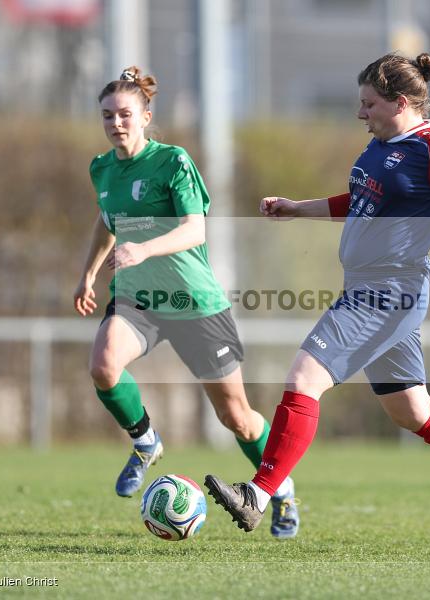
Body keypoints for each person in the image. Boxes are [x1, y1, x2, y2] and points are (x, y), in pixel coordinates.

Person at [204, 53, 430, 537]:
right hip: (367, 287)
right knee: (413, 411)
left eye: (368, 104)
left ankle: (257, 495)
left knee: (303, 378)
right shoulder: (381, 146)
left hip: (388, 292)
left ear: (399, 102)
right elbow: (363, 202)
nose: (360, 114)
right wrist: (299, 208)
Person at [73, 66, 299, 538]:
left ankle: (281, 489)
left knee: (236, 417)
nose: (116, 123)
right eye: (107, 115)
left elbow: (195, 228)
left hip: (194, 302)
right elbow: (105, 220)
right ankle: (145, 441)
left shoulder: (173, 162)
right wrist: (89, 274)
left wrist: (142, 248)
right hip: (138, 300)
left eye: (125, 114)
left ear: (146, 115)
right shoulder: (102, 168)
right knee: (103, 365)